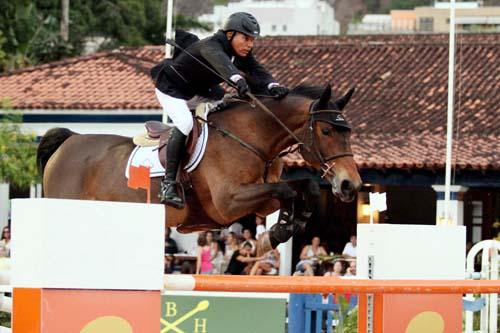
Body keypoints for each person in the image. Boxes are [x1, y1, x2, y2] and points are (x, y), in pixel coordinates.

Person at [150, 12, 289, 208]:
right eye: (246, 38)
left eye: (252, 40)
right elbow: (223, 66)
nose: (250, 44)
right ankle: (168, 184)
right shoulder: (211, 46)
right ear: (230, 34)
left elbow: (257, 71)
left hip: (199, 92)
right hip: (172, 90)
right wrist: (238, 80)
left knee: (233, 108)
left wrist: (273, 86)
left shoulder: (239, 53)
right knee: (185, 123)